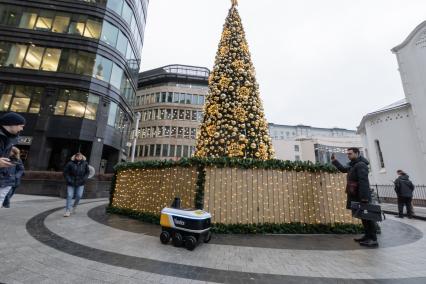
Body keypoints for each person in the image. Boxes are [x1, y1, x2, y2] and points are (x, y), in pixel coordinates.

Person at [331, 148, 378, 248]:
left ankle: (373, 239)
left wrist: (364, 197)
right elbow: (344, 169)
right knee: (363, 217)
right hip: (356, 195)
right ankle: (367, 236)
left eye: (350, 154)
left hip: (361, 196)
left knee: (368, 218)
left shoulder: (361, 165)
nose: (348, 155)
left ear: (357, 153)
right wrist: (335, 161)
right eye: (347, 154)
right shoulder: (354, 164)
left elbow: (363, 182)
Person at [0, 112, 25, 207]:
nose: (22, 129)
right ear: (12, 124)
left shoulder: (10, 139)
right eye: (21, 126)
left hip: (4, 181)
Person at [63, 152, 89, 217]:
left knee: (79, 195)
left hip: (80, 183)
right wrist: (69, 179)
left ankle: (74, 205)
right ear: (75, 157)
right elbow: (65, 172)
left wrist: (84, 179)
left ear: (82, 157)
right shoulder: (70, 163)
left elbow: (87, 172)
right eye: (77, 156)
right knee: (69, 195)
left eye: (80, 156)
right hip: (71, 182)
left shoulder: (85, 163)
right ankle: (68, 210)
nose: (79, 158)